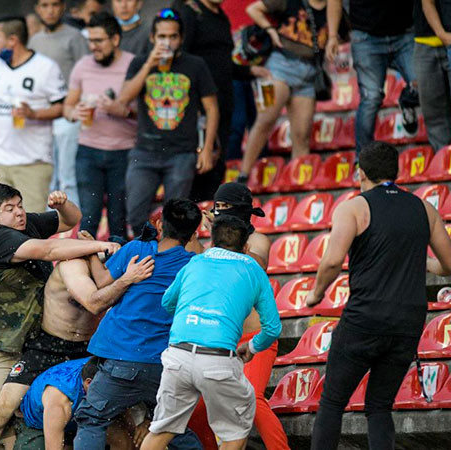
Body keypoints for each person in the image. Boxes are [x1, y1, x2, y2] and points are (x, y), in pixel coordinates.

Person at [305, 142, 451, 449]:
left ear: (361, 172)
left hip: (365, 318)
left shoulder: (354, 207)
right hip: (408, 322)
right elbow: (448, 265)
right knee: (379, 407)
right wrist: (421, 261)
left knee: (332, 403)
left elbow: (332, 261)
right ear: (396, 172)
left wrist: (316, 294)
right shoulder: (424, 208)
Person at [0, 183, 119, 447]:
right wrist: (98, 245)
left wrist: (62, 205)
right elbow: (49, 251)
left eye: (20, 205)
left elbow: (71, 219)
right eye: (9, 209)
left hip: (35, 338)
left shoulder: (26, 225)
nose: (19, 213)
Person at [0, 231, 155, 449]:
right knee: (2, 407)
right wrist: (125, 279)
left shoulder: (120, 274)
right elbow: (94, 303)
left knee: (116, 413)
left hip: (87, 349)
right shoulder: (73, 265)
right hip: (49, 345)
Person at [139, 215, 282, 450]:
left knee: (161, 431)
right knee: (235, 433)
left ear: (212, 242)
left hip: (177, 356)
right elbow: (273, 328)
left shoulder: (195, 262)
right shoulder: (253, 269)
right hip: (218, 359)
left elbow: (167, 302)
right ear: (245, 247)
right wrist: (253, 347)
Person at [73, 198, 204, 450]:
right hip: (164, 366)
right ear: (193, 234)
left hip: (121, 361)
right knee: (172, 429)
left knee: (91, 419)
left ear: (159, 225)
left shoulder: (138, 249)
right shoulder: (193, 265)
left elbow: (101, 282)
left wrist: (91, 252)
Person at [187, 182, 288, 450]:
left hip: (255, 336)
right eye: (215, 209)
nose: (218, 214)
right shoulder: (210, 244)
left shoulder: (257, 240)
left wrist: (220, 235)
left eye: (224, 210)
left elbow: (256, 264)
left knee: (252, 398)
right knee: (196, 408)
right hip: (221, 337)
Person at [118, 8, 218, 236]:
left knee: (176, 216)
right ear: (153, 38)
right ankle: (149, 251)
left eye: (173, 36)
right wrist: (148, 66)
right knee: (134, 212)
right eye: (162, 36)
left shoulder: (195, 65)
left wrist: (208, 148)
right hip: (144, 151)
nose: (168, 42)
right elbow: (124, 98)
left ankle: (169, 258)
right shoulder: (140, 63)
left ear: (181, 39)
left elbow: (212, 108)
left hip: (181, 152)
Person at [0, 16, 66, 213]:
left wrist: (33, 113)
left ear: (12, 40)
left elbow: (61, 108)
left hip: (33, 161)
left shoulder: (46, 67)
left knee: (30, 223)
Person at [173, 0, 271, 201]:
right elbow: (181, 60)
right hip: (197, 109)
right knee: (194, 175)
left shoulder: (221, 17)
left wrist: (249, 71)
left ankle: (206, 227)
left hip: (223, 105)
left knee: (214, 174)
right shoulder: (189, 12)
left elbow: (223, 62)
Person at [237, 0, 329, 181]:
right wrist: (270, 30)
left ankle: (298, 180)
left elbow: (344, 32)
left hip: (310, 72)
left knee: (302, 134)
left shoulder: (333, 7)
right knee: (265, 120)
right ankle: (243, 175)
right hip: (280, 67)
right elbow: (253, 9)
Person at [64, 12, 136, 239]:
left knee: (118, 219)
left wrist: (122, 111)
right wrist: (74, 113)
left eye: (99, 41)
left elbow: (146, 112)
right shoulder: (82, 66)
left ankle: (121, 272)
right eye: (90, 41)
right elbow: (67, 107)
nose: (93, 46)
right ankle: (84, 271)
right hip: (88, 151)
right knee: (88, 218)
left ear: (115, 40)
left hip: (124, 151)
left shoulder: (133, 64)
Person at [325, 0, 418, 155]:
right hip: (366, 37)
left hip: (404, 32)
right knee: (371, 98)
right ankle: (362, 161)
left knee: (421, 83)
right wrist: (333, 36)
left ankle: (408, 101)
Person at [29, 0, 89, 209]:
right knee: (47, 174)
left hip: (68, 116)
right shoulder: (35, 41)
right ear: (37, 9)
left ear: (62, 7)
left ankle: (72, 226)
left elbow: (86, 76)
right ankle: (51, 226)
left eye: (54, 5)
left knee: (67, 176)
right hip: (43, 116)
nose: (50, 10)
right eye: (44, 5)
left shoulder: (75, 37)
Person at [419, 0, 451, 150]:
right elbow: (427, 3)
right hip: (425, 39)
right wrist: (442, 34)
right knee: (433, 112)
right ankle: (443, 160)